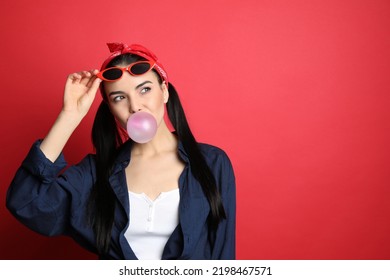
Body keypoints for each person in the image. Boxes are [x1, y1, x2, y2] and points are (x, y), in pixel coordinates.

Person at [6, 43, 236, 259]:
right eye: (119, 97)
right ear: (110, 108)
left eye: (144, 89)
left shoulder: (212, 163)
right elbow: (26, 202)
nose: (135, 106)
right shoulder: (96, 174)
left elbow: (223, 257)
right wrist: (69, 116)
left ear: (164, 91)